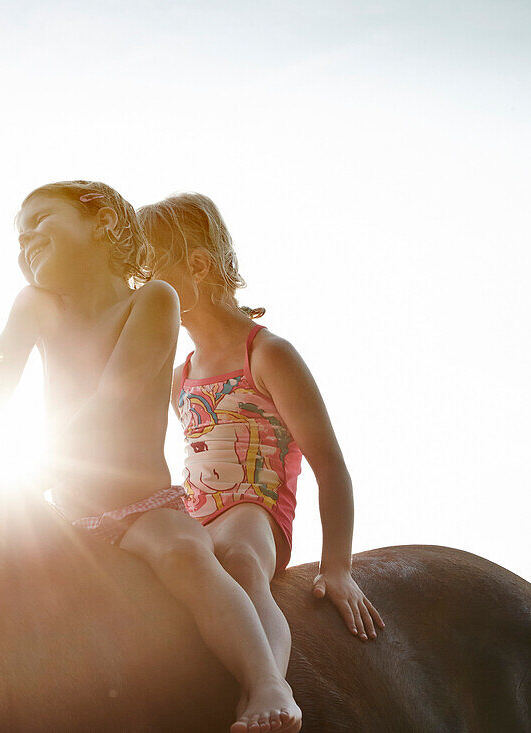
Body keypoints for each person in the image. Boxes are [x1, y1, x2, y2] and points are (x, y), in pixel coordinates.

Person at [0, 181, 300, 733]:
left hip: (142, 505)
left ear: (100, 223)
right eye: (18, 237)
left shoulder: (151, 300)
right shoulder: (35, 305)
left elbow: (112, 398)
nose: (25, 243)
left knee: (188, 557)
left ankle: (267, 682)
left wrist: (37, 470)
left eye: (40, 222)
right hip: (66, 515)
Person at [138, 192, 385, 680]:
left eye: (149, 272)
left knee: (240, 563)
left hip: (256, 510)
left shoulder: (268, 354)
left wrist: (337, 566)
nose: (140, 289)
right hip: (196, 515)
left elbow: (330, 465)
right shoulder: (178, 376)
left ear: (199, 265)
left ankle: (270, 686)